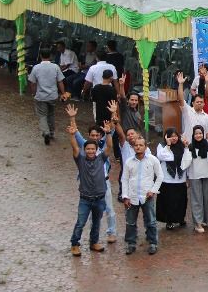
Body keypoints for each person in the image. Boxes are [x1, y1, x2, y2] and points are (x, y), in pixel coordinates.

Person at [66, 108, 113, 257]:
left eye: (93, 149)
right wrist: (72, 134)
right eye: (88, 149)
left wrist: (108, 133)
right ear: (84, 150)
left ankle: (94, 242)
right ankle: (75, 244)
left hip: (99, 197)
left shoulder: (101, 158)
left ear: (96, 150)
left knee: (97, 222)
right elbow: (75, 146)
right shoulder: (80, 160)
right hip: (85, 199)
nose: (91, 151)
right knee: (81, 222)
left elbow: (109, 146)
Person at [121, 136, 163, 255]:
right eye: (136, 145)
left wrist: (153, 190)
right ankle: (131, 243)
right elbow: (125, 179)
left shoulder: (153, 160)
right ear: (133, 147)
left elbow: (160, 176)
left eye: (141, 145)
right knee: (130, 222)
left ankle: (153, 243)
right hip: (132, 196)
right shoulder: (129, 162)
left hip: (147, 196)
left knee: (151, 221)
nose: (138, 147)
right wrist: (125, 196)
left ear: (145, 147)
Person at [28, 48, 66, 145]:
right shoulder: (55, 67)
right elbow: (60, 81)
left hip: (41, 96)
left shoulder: (36, 68)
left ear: (40, 56)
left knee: (42, 115)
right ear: (50, 56)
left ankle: (46, 132)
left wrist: (34, 93)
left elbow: (32, 83)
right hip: (53, 95)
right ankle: (52, 132)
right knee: (51, 114)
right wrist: (63, 93)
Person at [156, 128, 192, 230]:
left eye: (175, 136)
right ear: (166, 137)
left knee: (181, 201)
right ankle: (169, 221)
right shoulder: (162, 146)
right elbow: (163, 157)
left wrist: (186, 147)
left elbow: (187, 161)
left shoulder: (182, 146)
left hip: (180, 179)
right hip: (167, 180)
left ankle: (180, 218)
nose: (174, 138)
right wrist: (168, 145)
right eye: (171, 136)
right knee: (168, 202)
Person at [188, 125, 208, 232]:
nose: (198, 135)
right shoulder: (190, 146)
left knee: (207, 198)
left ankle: (205, 220)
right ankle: (197, 223)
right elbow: (187, 161)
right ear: (193, 135)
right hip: (195, 175)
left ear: (203, 134)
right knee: (197, 199)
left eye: (200, 133)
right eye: (196, 133)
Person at [176, 71, 208, 142]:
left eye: (201, 102)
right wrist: (180, 84)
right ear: (193, 103)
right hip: (188, 144)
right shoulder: (187, 110)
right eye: (197, 102)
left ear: (204, 104)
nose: (199, 103)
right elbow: (180, 99)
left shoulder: (206, 117)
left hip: (201, 146)